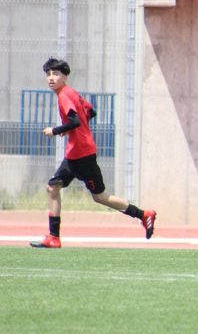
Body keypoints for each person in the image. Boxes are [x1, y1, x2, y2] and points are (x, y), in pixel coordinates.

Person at [30, 58, 157, 249]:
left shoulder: (64, 95)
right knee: (53, 187)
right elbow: (90, 112)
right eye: (48, 74)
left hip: (80, 155)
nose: (51, 78)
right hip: (77, 153)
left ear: (65, 76)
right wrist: (71, 130)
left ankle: (143, 214)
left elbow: (75, 121)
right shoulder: (72, 93)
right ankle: (53, 237)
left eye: (56, 74)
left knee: (100, 197)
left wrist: (56, 130)